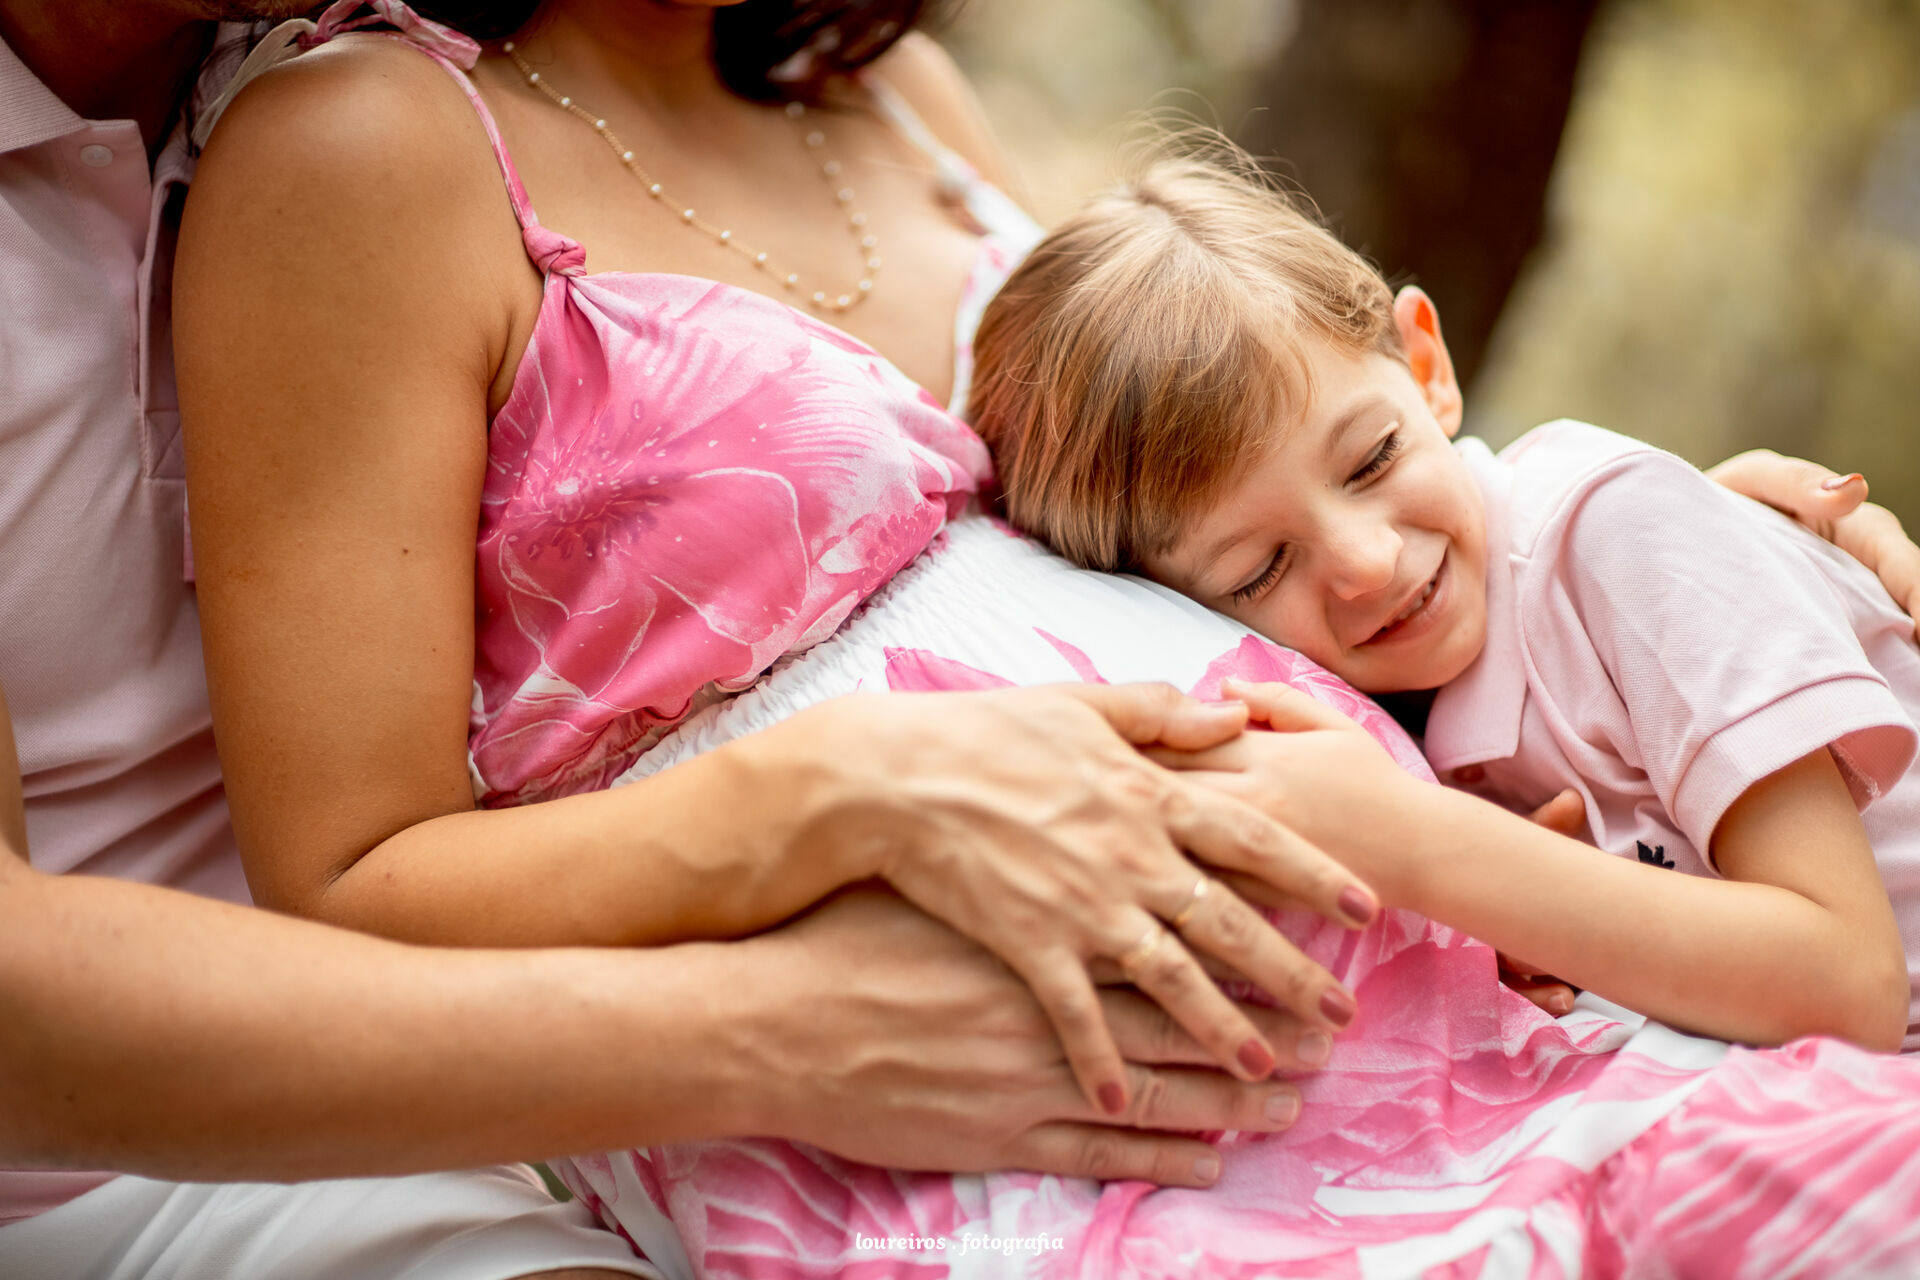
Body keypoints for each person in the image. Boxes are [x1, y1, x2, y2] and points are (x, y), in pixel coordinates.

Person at [0, 3, 1358, 1276]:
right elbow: (302, 889)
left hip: (1244, 936)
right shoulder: (363, 137)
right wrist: (805, 972)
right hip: (157, 1154)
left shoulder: (891, 97)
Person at [971, 150, 1920, 1052]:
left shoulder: (1620, 537)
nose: (1370, 561)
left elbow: (1854, 988)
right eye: (1260, 569)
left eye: (1372, 459)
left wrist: (1422, 847)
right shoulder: (1390, 724)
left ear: (1427, 367)